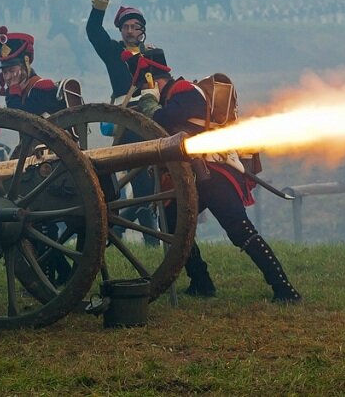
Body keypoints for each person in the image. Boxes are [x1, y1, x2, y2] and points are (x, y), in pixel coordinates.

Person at [125, 48, 302, 303]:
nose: (145, 90)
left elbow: (164, 120)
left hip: (215, 173)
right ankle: (201, 282)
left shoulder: (185, 91)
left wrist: (150, 104)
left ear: (152, 79)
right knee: (174, 224)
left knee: (239, 229)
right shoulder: (174, 95)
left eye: (145, 85)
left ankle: (284, 289)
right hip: (194, 177)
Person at [0, 27, 81, 283]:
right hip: (37, 161)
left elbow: (24, 121)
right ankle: (56, 273)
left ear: (26, 63)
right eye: (6, 72)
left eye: (12, 70)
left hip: (50, 163)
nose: (9, 76)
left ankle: (58, 274)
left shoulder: (40, 87)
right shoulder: (22, 92)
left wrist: (12, 95)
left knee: (38, 225)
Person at [86, 0, 159, 242]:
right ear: (120, 30)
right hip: (127, 121)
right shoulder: (113, 52)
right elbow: (94, 31)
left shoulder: (153, 54)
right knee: (143, 186)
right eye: (126, 27)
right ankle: (117, 234)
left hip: (154, 119)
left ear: (142, 30)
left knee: (151, 186)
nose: (130, 31)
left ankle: (127, 235)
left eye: (135, 27)